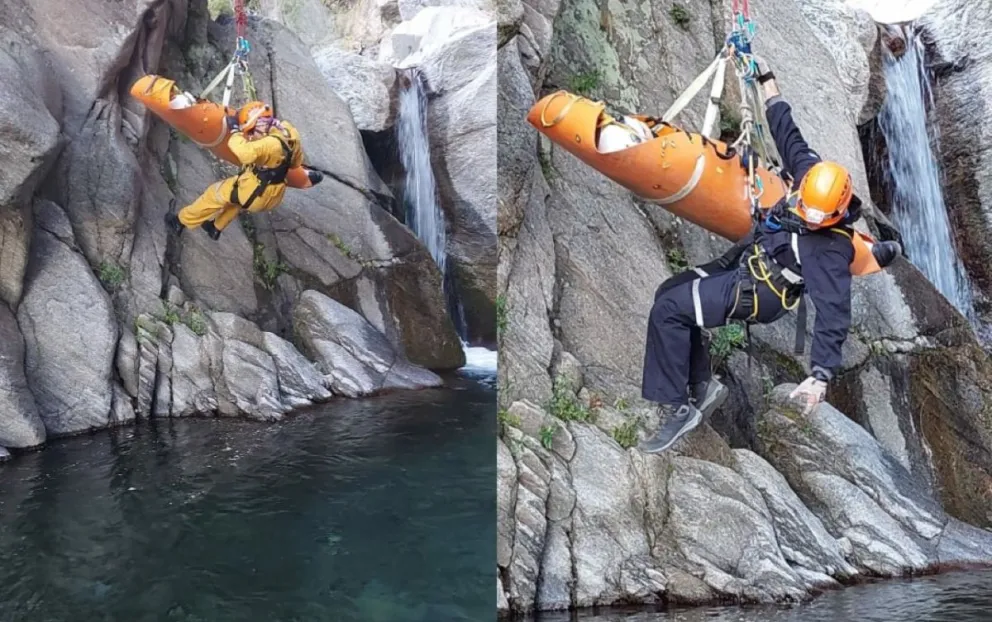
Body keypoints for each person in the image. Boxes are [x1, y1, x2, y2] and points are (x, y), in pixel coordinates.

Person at [638, 55, 902, 453]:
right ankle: (700, 385)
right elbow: (786, 131)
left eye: (816, 218)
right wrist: (767, 81)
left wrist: (820, 376)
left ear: (836, 213)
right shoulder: (811, 177)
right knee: (669, 292)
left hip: (762, 293)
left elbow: (834, 313)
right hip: (751, 262)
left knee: (669, 310)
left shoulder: (829, 249)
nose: (809, 220)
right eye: (806, 211)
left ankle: (677, 408)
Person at [165, 100, 322, 240]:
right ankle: (215, 228)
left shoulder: (269, 144)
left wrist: (235, 131)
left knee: (214, 195)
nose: (251, 135)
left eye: (251, 131)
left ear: (260, 126)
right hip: (272, 194)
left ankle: (179, 222)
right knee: (236, 200)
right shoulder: (290, 133)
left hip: (254, 190)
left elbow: (244, 153)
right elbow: (295, 163)